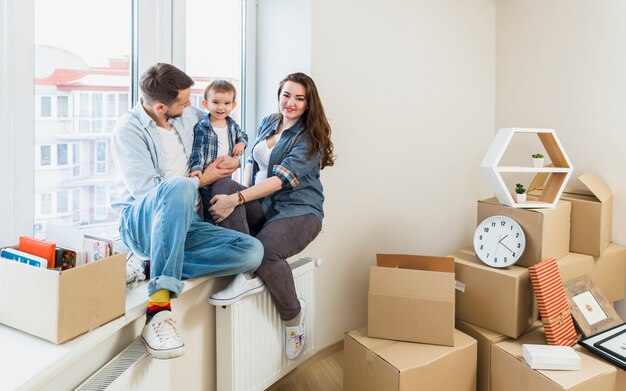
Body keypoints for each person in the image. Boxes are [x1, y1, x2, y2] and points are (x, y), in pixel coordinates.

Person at [111, 63, 264, 360]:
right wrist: (202, 180)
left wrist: (232, 157)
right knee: (180, 187)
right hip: (142, 223)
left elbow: (221, 123)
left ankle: (150, 266)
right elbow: (149, 193)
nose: (191, 105)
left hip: (187, 225)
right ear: (159, 107)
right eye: (184, 101)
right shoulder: (128, 131)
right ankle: (158, 309)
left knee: (252, 252)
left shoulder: (187, 115)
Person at [207, 72, 335, 360]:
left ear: (308, 103)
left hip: (299, 210)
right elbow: (255, 165)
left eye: (299, 98)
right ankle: (245, 268)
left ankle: (294, 317)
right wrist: (234, 174)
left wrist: (236, 199)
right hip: (265, 206)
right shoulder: (269, 121)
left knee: (264, 252)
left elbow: (278, 181)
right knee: (223, 184)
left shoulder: (309, 139)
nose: (290, 102)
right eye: (286, 95)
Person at [188, 80, 247, 222]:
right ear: (205, 104)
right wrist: (196, 168)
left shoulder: (233, 125)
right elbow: (197, 151)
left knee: (226, 209)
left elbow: (243, 136)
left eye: (227, 103)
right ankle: (211, 231)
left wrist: (241, 143)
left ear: (233, 105)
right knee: (211, 209)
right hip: (208, 177)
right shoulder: (202, 127)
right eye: (215, 102)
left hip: (226, 176)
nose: (221, 107)